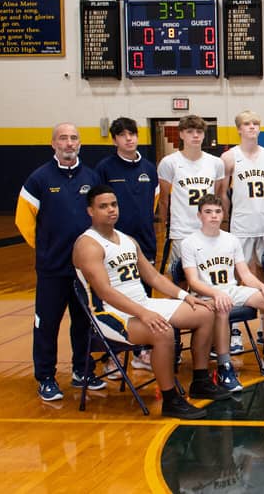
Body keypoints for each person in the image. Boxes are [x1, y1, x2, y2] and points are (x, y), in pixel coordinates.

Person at [72, 185, 230, 418]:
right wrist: (143, 314)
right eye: (103, 206)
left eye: (113, 204)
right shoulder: (87, 245)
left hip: (142, 304)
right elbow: (105, 292)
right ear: (90, 211)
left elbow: (154, 277)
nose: (111, 210)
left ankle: (200, 380)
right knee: (162, 331)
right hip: (109, 314)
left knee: (204, 313)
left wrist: (186, 297)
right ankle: (170, 399)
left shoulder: (127, 240)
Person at [16, 122, 104, 401]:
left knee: (84, 322)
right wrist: (46, 248)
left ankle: (82, 371)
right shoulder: (39, 179)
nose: (69, 143)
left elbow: (102, 216)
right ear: (53, 144)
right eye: (63, 138)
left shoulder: (91, 177)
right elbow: (23, 221)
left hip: (85, 269)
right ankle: (46, 377)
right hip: (52, 269)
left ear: (80, 143)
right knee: (47, 324)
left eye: (73, 138)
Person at [180, 195, 264, 391]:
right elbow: (193, 282)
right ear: (199, 215)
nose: (213, 216)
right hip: (205, 296)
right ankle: (224, 366)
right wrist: (216, 294)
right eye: (208, 212)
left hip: (232, 290)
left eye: (217, 212)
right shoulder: (189, 242)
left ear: (223, 214)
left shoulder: (231, 239)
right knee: (223, 306)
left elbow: (245, 274)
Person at [94, 117, 159, 371]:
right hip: (113, 245)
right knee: (114, 300)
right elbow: (99, 205)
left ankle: (142, 351)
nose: (128, 138)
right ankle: (112, 356)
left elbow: (153, 203)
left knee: (143, 298)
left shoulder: (149, 168)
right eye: (122, 135)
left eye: (132, 134)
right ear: (114, 140)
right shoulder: (105, 168)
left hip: (144, 242)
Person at [157, 115, 227, 274]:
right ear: (181, 134)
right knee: (179, 277)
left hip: (208, 229)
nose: (195, 135)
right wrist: (165, 227)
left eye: (199, 131)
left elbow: (216, 197)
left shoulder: (216, 163)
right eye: (190, 131)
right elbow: (163, 200)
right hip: (181, 230)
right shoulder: (169, 162)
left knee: (207, 274)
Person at [221, 110, 264, 281]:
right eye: (247, 124)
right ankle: (238, 298)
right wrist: (226, 219)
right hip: (241, 222)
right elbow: (222, 193)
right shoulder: (229, 157)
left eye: (255, 124)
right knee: (238, 269)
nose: (252, 127)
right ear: (239, 129)